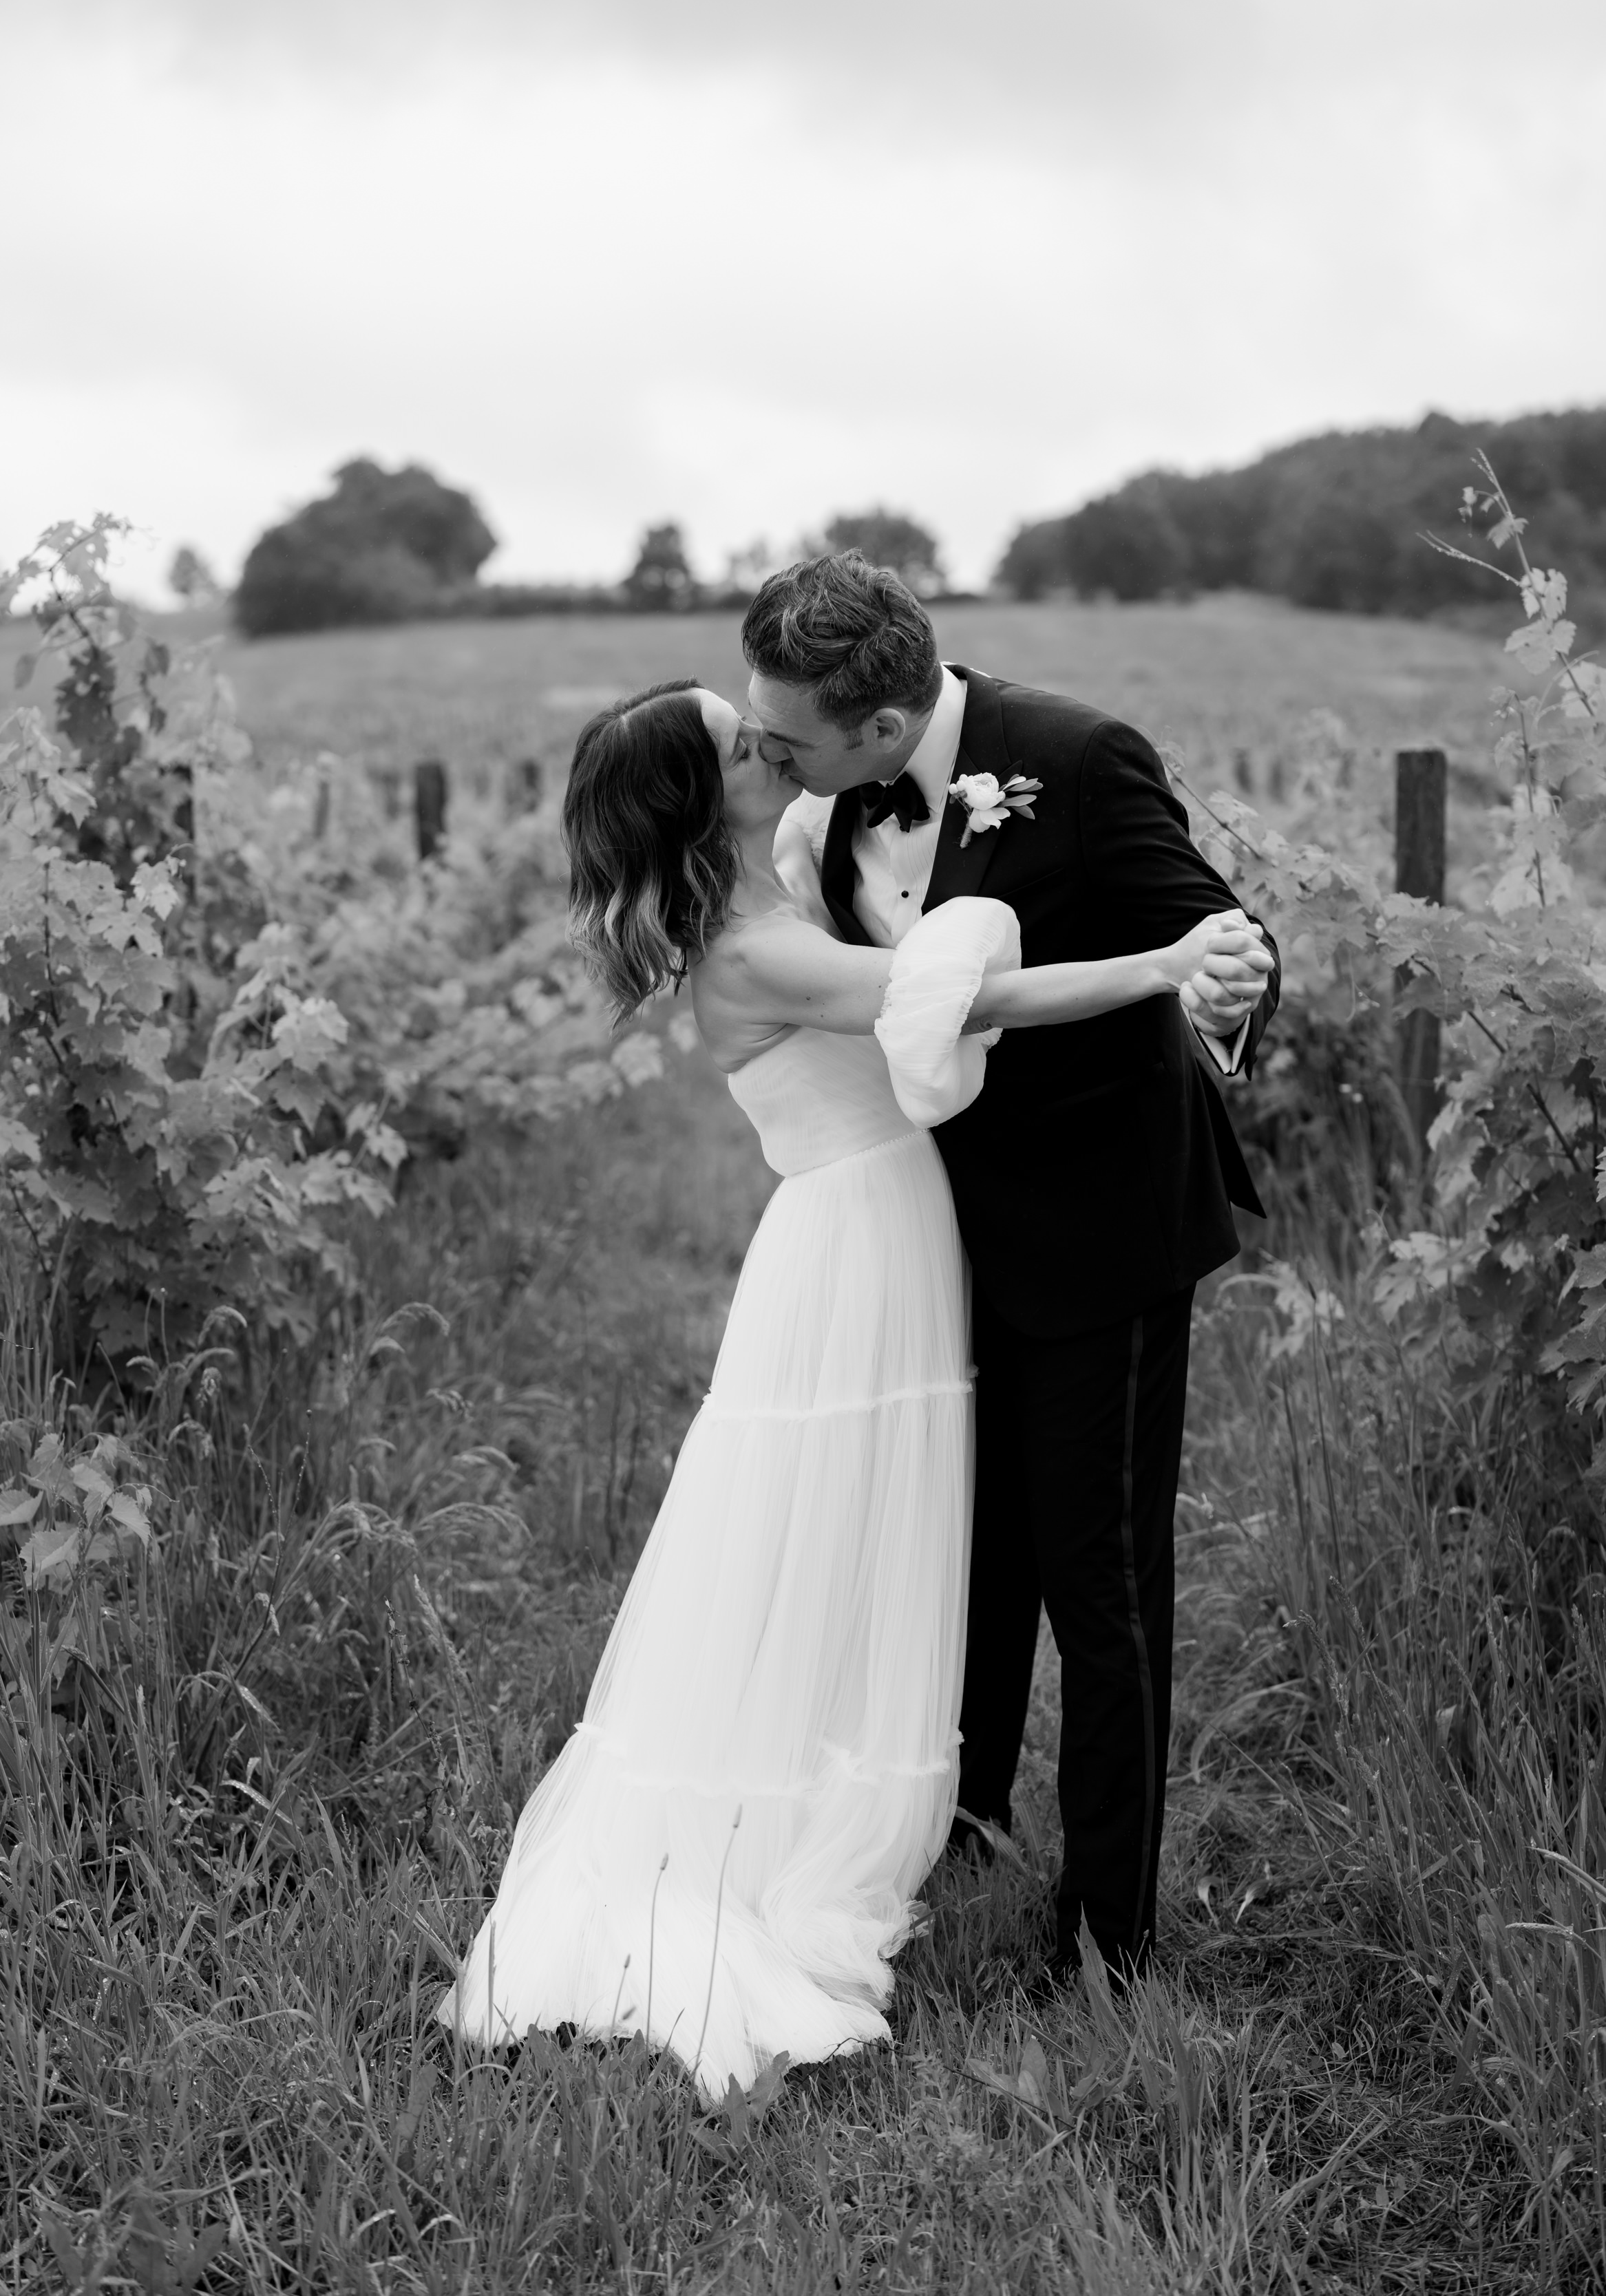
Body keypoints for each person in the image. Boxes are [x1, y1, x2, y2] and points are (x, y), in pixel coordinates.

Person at [437, 677, 1271, 2095]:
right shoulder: (755, 948)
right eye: (737, 741)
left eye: (757, 722)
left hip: (897, 1230)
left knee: (894, 1532)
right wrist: (1159, 963)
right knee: (845, 1528)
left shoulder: (791, 866)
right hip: (858, 1244)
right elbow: (972, 992)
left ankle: (933, 1798)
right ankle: (826, 1820)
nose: (766, 742)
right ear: (710, 801)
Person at [745, 553, 1280, 1984]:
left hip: (1103, 1229)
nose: (763, 751)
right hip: (934, 1235)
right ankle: (959, 1824)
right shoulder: (818, 807)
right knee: (962, 1543)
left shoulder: (1078, 758)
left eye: (784, 733)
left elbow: (1217, 934)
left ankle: (1107, 1932)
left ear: (877, 723)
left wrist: (1225, 986)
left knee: (1098, 1580)